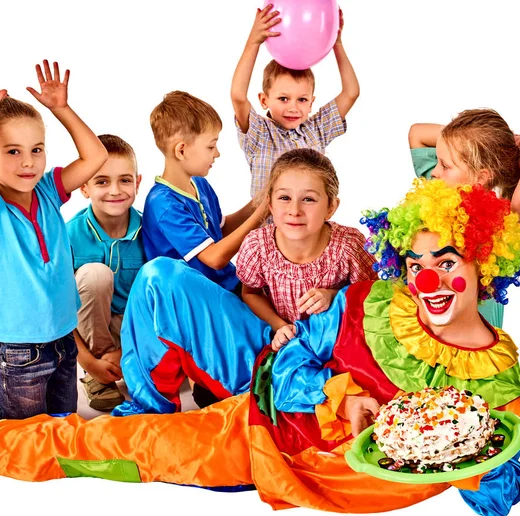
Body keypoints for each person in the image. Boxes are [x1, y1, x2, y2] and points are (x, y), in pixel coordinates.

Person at [0, 178, 520, 516]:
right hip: (254, 417)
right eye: (416, 265)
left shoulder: (496, 379)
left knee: (131, 448)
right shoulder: (375, 300)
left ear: (484, 264)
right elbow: (292, 354)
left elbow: (495, 498)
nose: (427, 280)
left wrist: (473, 464)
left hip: (300, 465)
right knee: (123, 443)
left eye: (447, 262)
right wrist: (336, 394)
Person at [139, 90, 268, 408]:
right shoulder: (164, 203)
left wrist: (260, 201)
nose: (218, 153)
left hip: (226, 285)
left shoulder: (201, 185)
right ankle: (213, 384)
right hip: (196, 303)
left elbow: (219, 231)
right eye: (211, 145)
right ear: (181, 150)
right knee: (252, 353)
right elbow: (213, 256)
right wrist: (259, 215)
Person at [0, 61, 107, 419]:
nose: (28, 162)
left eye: (36, 149)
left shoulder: (47, 189)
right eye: (12, 151)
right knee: (27, 445)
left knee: (65, 429)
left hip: (63, 340)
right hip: (16, 352)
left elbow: (96, 156)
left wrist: (61, 109)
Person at [408, 108, 520, 327]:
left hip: (477, 337)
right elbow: (417, 134)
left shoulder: (500, 225)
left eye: (445, 165)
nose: (434, 171)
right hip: (430, 328)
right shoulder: (438, 190)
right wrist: (469, 143)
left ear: (480, 177)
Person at [237, 148, 377, 352]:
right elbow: (250, 293)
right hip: (283, 343)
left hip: (339, 344)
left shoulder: (349, 246)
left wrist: (333, 295)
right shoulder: (257, 246)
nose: (294, 211)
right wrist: (279, 326)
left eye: (308, 199)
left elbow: (371, 295)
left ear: (331, 207)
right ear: (270, 203)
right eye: (284, 198)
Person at [231, 4, 359, 198]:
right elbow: (238, 96)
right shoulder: (260, 134)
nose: (293, 107)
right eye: (283, 98)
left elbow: (351, 92)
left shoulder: (316, 130)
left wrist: (337, 44)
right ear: (264, 100)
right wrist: (254, 42)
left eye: (302, 99)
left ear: (311, 103)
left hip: (309, 226)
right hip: (268, 227)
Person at [66, 134, 145, 412]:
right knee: (94, 275)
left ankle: (132, 362)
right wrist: (88, 362)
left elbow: (158, 302)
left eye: (125, 180)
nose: (115, 190)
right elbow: (59, 306)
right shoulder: (69, 234)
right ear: (84, 188)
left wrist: (128, 350)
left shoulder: (150, 231)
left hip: (136, 330)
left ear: (137, 182)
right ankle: (99, 375)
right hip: (88, 329)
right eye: (102, 181)